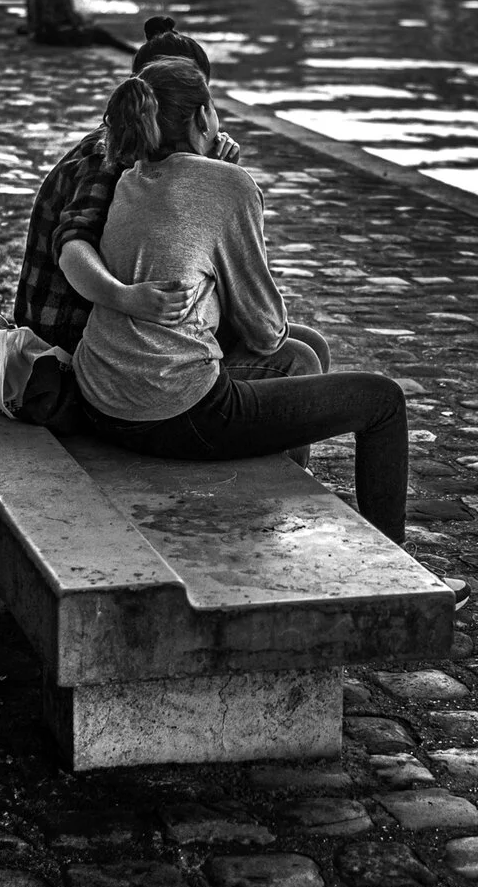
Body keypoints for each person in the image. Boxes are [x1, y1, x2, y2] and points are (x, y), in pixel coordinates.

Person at [71, 59, 410, 541]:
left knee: (306, 347)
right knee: (383, 400)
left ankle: (275, 503)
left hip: (102, 396)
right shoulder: (230, 184)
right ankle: (402, 577)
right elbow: (266, 329)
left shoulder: (132, 177)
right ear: (202, 117)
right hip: (174, 411)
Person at [15, 18, 332, 369]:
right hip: (72, 336)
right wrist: (124, 297)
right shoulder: (108, 156)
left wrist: (207, 173)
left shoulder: (155, 155)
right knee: (298, 357)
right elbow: (72, 244)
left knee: (310, 341)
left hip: (129, 325)